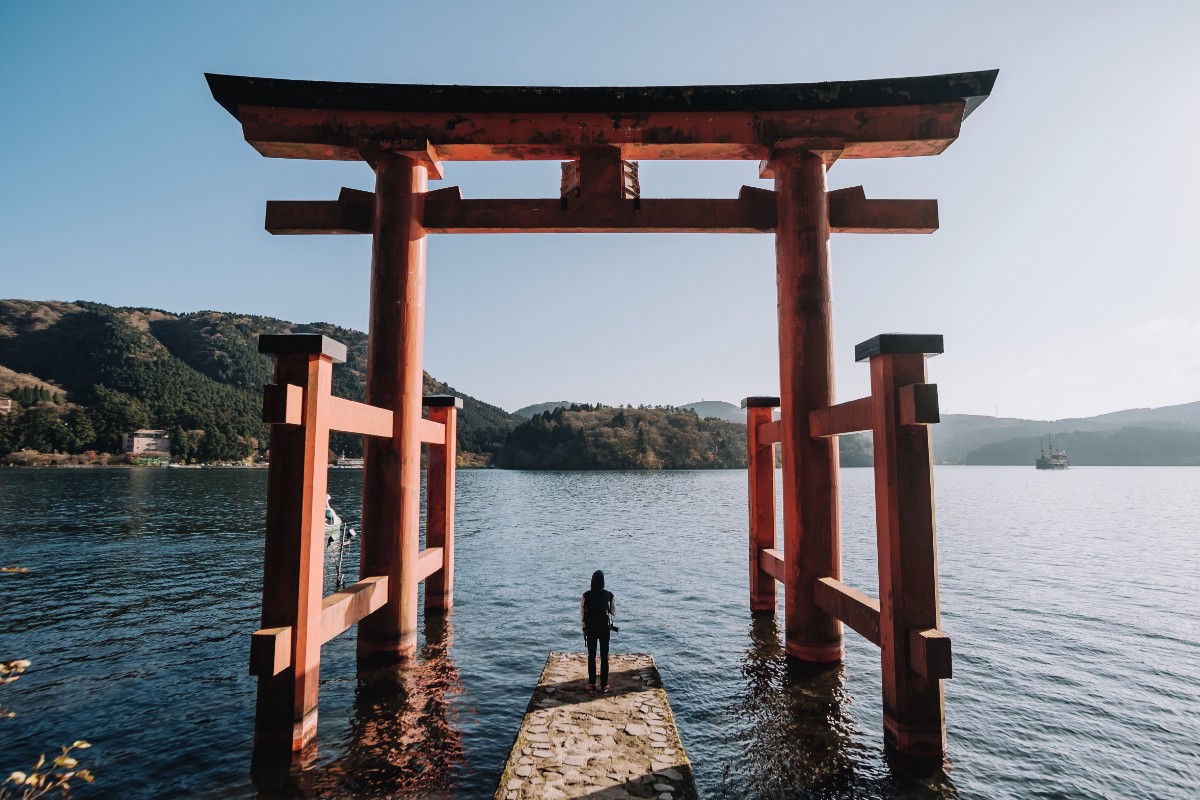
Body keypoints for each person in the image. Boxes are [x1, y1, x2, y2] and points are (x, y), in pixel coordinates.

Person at [580, 570, 616, 692]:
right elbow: (613, 612)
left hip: (590, 629)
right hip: (604, 629)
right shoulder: (609, 595)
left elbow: (582, 615)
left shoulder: (586, 596)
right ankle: (604, 685)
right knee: (604, 656)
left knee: (591, 656)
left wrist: (584, 629)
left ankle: (591, 685)